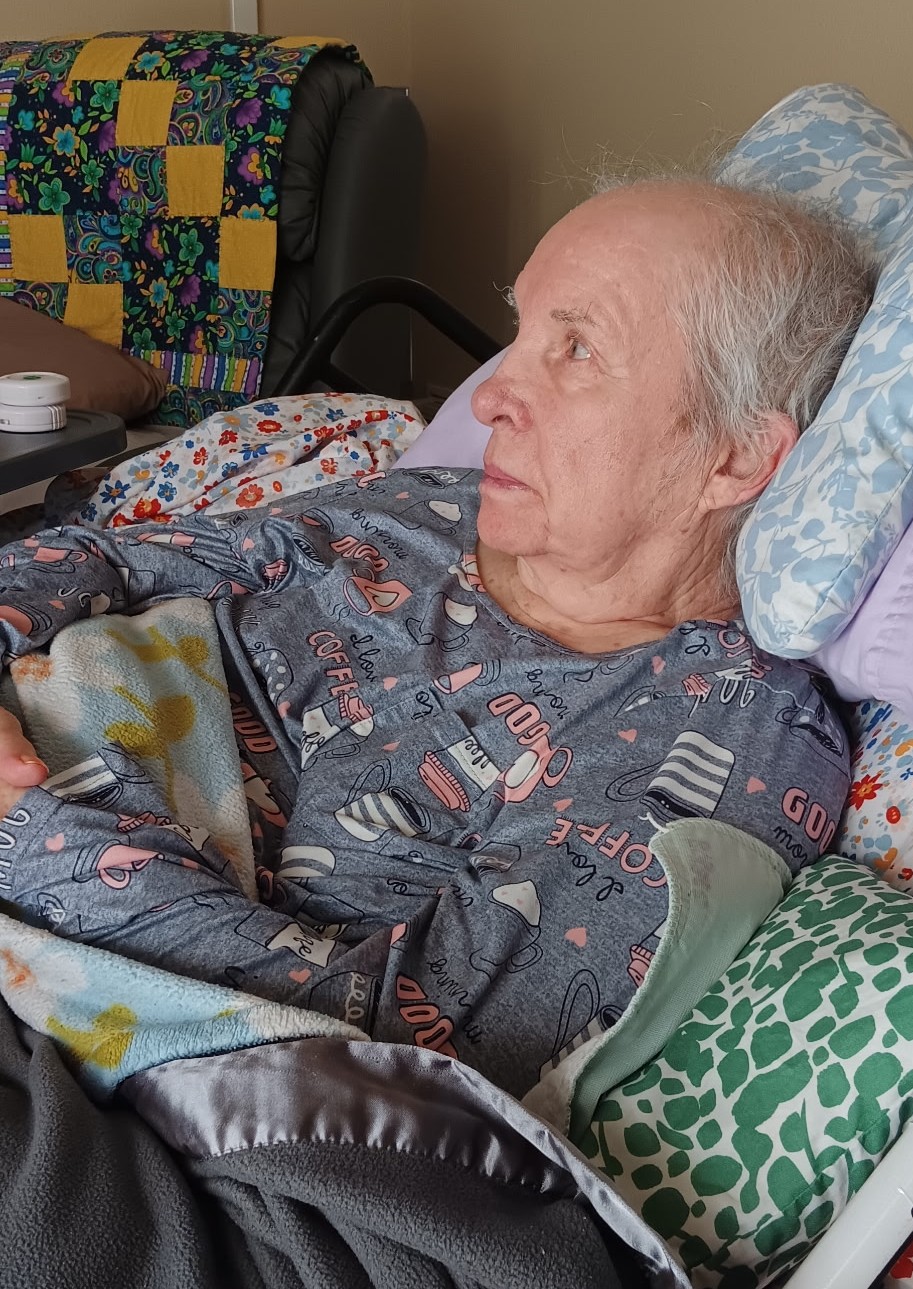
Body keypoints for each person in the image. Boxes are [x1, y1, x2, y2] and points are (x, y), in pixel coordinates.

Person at [0, 180, 873, 1098]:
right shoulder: (428, 506)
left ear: (734, 456)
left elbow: (407, 1056)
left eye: (576, 349)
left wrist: (24, 827)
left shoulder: (717, 726)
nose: (489, 395)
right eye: (520, 333)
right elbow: (106, 556)